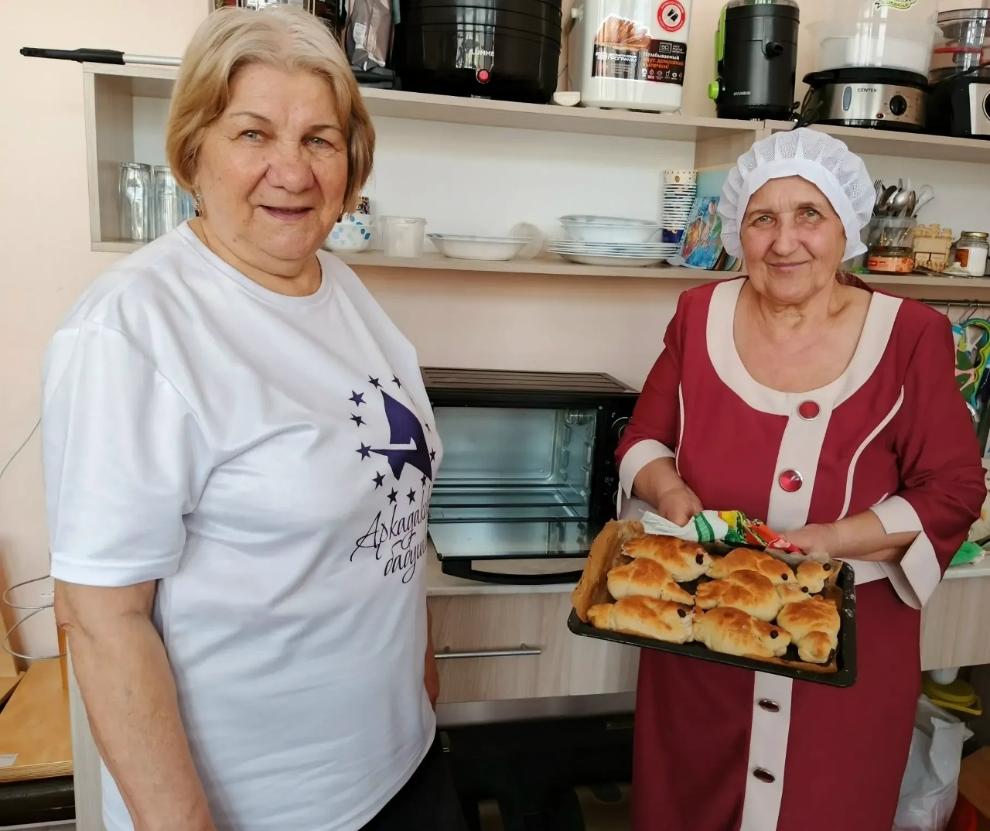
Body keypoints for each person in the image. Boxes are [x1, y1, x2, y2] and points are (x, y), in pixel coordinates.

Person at [42, 8, 466, 831]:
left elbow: (391, 514)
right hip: (268, 810)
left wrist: (419, 686)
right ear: (193, 148)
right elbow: (101, 621)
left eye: (319, 139)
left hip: (405, 770)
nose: (292, 170)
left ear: (351, 159)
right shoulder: (131, 330)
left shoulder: (343, 290)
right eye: (253, 133)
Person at [616, 127, 985, 831]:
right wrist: (670, 492)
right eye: (763, 218)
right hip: (703, 631)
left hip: (842, 646)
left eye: (809, 214)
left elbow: (953, 489)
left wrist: (833, 538)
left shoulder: (910, 334)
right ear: (739, 231)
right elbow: (643, 440)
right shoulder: (699, 314)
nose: (785, 241)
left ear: (847, 226)